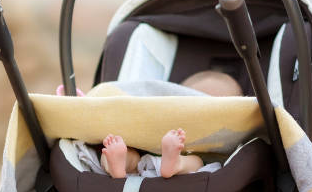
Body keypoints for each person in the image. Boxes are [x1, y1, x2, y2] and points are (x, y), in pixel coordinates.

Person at [100, 71, 243, 179]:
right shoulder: (165, 118)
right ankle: (117, 165)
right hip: (148, 155)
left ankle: (175, 164)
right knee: (123, 152)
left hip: (188, 160)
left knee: (197, 163)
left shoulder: (225, 136)